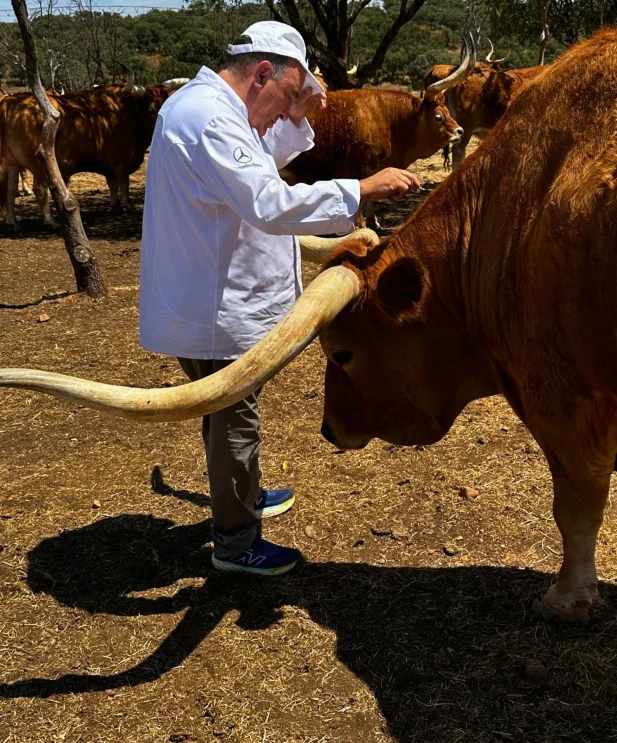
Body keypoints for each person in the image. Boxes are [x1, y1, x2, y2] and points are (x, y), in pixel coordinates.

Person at [139, 21, 419, 576]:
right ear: (262, 73)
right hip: (218, 307)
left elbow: (258, 158)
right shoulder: (210, 118)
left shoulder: (209, 109)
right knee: (234, 419)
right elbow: (267, 200)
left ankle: (240, 494)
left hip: (209, 299)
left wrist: (298, 110)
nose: (287, 109)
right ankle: (236, 542)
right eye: (289, 95)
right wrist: (362, 188)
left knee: (223, 413)